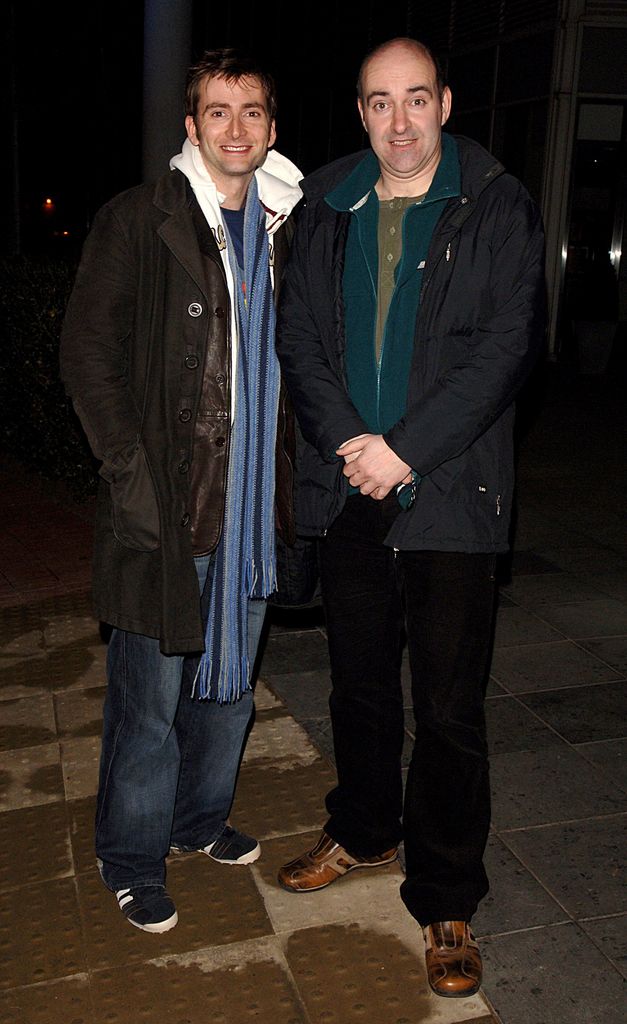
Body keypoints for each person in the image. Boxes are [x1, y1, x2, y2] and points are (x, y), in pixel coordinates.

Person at [275, 37, 545, 996]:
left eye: (415, 100)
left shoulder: (495, 202)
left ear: (443, 104)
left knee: (446, 705)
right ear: (359, 111)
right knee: (356, 684)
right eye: (379, 102)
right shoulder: (326, 205)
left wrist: (405, 450)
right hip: (349, 483)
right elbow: (297, 334)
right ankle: (361, 831)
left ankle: (443, 894)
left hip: (450, 493)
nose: (398, 122)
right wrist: (354, 442)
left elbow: (506, 344)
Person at [60, 49, 302, 934]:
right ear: (190, 126)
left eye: (251, 112)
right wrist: (130, 475)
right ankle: (129, 856)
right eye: (216, 111)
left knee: (230, 689)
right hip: (166, 505)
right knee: (150, 701)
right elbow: (86, 353)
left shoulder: (287, 224)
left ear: (271, 129)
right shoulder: (139, 219)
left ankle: (199, 823)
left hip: (248, 509)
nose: (234, 128)